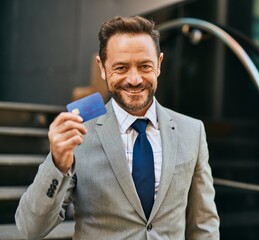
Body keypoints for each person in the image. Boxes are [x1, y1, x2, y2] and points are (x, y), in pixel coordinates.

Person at [15, 16, 220, 239]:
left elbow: (204, 224)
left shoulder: (192, 131)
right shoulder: (79, 133)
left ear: (159, 64)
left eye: (145, 66)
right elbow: (30, 228)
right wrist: (57, 164)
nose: (134, 79)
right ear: (102, 68)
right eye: (121, 68)